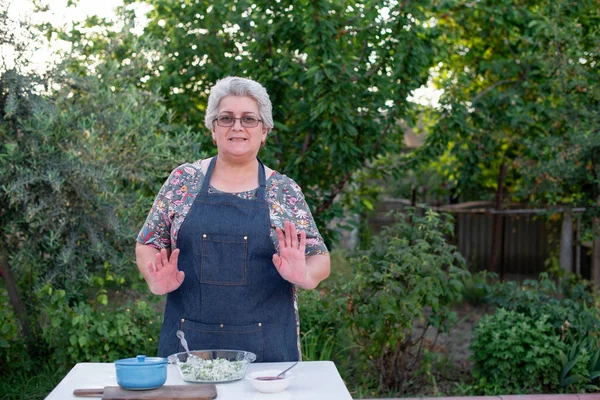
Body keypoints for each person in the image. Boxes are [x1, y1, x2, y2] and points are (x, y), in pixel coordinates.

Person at [135, 76, 331, 362]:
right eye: (226, 118)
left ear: (264, 131)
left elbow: (319, 259)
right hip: (190, 349)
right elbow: (147, 243)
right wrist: (154, 279)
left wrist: (304, 275)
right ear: (213, 129)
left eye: (249, 119)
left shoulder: (283, 191)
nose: (237, 126)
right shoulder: (183, 181)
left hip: (268, 354)